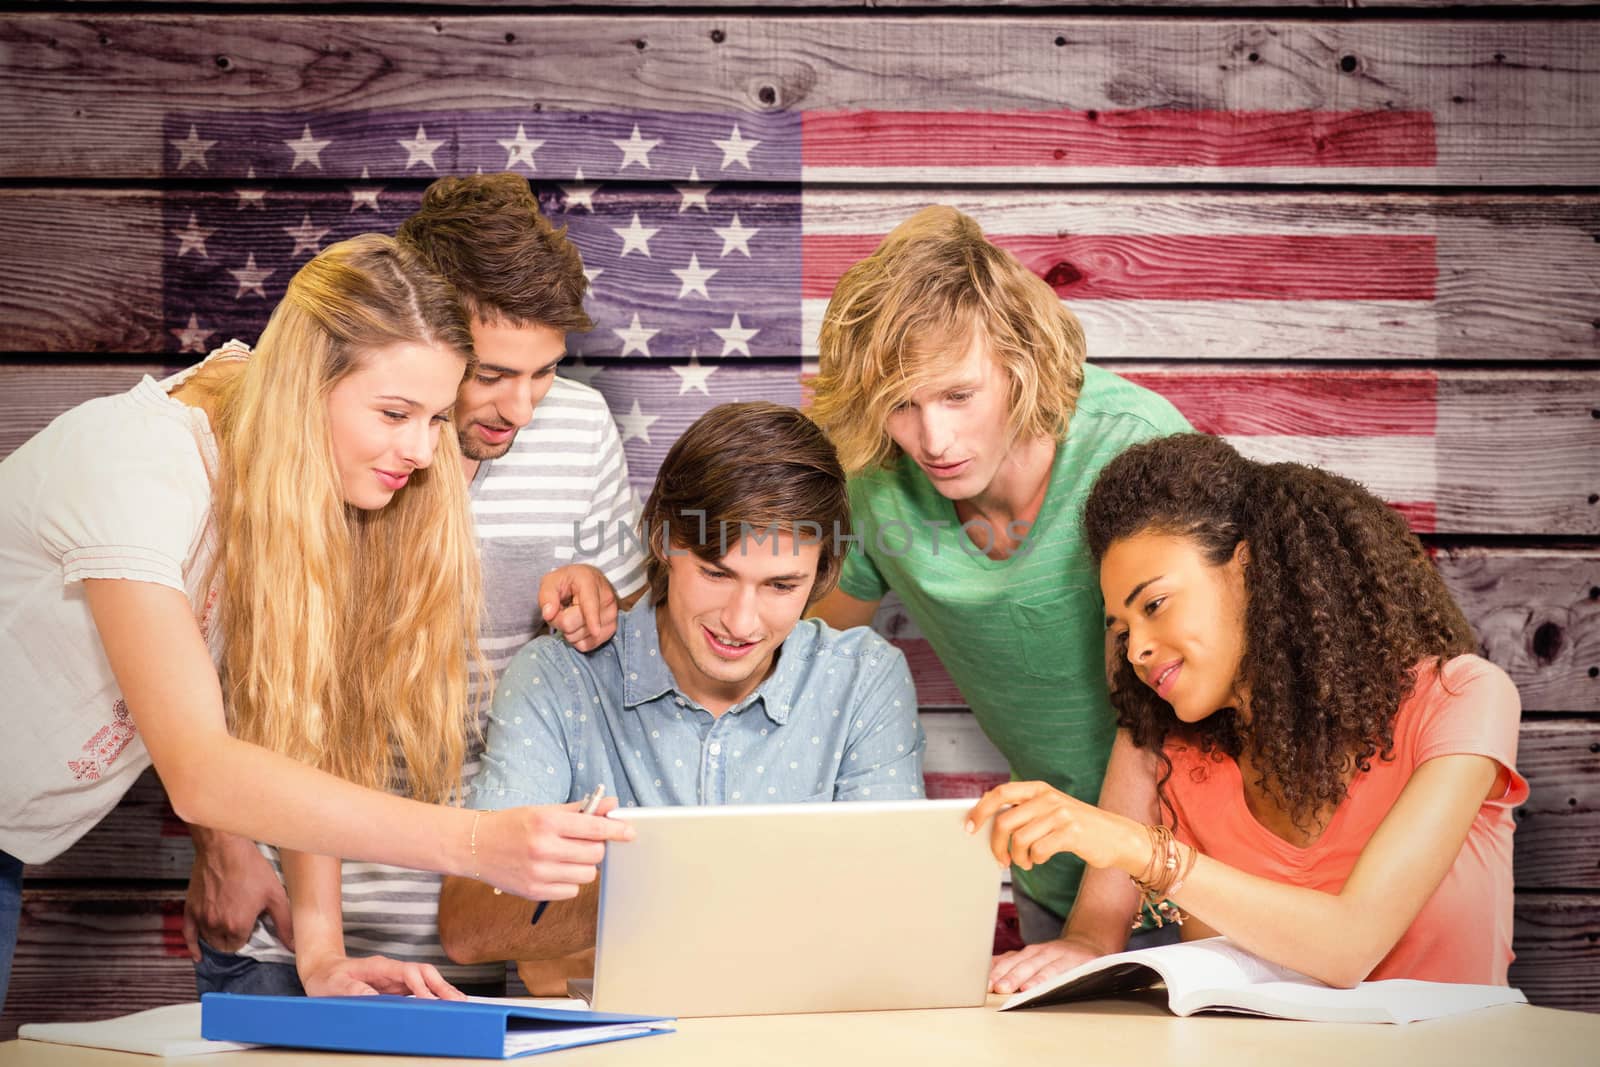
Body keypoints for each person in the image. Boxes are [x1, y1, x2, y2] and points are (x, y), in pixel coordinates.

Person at [0, 234, 630, 1012]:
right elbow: (202, 773)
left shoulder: (303, 473)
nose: (422, 450)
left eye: (436, 416)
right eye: (396, 412)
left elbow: (298, 716)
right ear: (306, 384)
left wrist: (323, 951)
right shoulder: (137, 466)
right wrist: (477, 842)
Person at [186, 174, 650, 999]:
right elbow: (244, 666)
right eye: (492, 372)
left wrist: (602, 605)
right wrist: (222, 840)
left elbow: (624, 683)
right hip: (292, 923)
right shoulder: (320, 436)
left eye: (544, 372)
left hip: (488, 925)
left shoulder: (579, 430)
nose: (522, 407)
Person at [967, 433, 1525, 988]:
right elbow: (1092, 938)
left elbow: (1350, 947)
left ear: (1249, 569)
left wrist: (1145, 852)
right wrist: (1060, 958)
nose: (1135, 648)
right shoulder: (1156, 745)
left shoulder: (1461, 699)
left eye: (1154, 605)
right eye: (1122, 628)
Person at [806, 206, 1191, 985]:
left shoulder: (1133, 449)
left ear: (1018, 361)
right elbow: (807, 658)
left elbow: (1156, 713)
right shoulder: (880, 484)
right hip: (1057, 874)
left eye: (957, 395)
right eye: (901, 403)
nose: (933, 440)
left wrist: (1094, 930)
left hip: (1200, 865)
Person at [436, 402, 927, 993]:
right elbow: (472, 927)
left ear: (822, 575)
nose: (741, 622)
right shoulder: (561, 679)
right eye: (717, 573)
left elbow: (892, 921)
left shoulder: (863, 682)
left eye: (780, 585)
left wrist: (587, 926)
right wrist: (771, 898)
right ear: (666, 541)